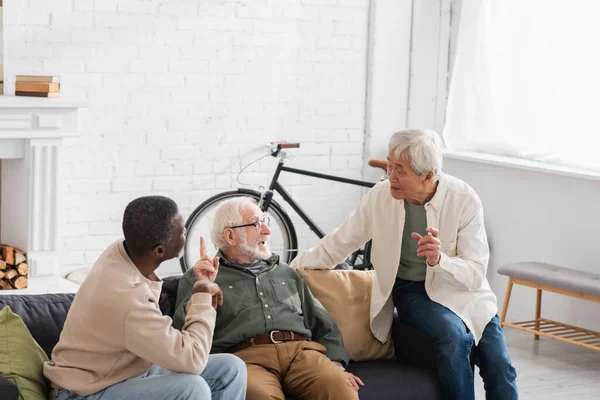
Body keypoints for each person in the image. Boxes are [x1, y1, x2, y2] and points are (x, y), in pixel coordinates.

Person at [291, 129, 518, 400]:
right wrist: (290, 269)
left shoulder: (464, 199)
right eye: (389, 164)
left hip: (467, 293)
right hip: (412, 290)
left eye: (400, 169)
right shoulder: (381, 196)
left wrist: (440, 260)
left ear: (428, 175)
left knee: (499, 364)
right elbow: (340, 242)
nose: (390, 176)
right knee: (454, 336)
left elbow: (475, 273)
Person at [44, 196, 247, 400]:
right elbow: (193, 359)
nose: (185, 231)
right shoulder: (127, 298)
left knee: (231, 369)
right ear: (160, 250)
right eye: (181, 230)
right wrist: (202, 294)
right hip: (81, 392)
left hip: (123, 374)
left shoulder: (124, 250)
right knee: (192, 388)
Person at [173, 197, 363, 400]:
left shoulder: (286, 272)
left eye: (266, 221)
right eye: (256, 224)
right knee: (260, 396)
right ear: (230, 236)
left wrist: (336, 365)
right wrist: (201, 289)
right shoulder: (201, 276)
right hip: (246, 359)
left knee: (340, 389)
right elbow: (182, 334)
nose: (267, 231)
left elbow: (323, 323)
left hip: (302, 353)